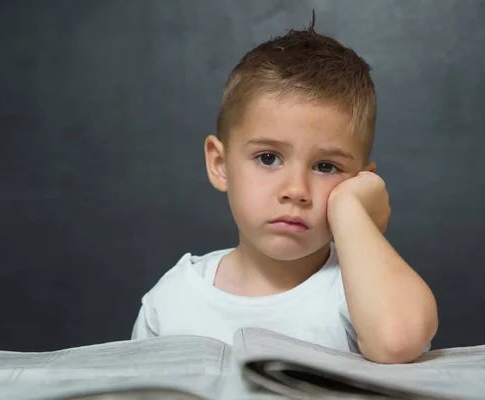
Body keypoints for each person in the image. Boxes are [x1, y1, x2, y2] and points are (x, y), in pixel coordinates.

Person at [131, 18, 438, 364]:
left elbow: (398, 341)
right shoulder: (173, 298)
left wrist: (352, 210)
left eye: (326, 167)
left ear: (360, 182)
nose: (296, 190)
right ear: (220, 164)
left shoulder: (360, 291)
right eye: (268, 158)